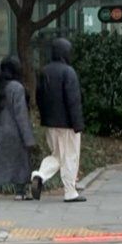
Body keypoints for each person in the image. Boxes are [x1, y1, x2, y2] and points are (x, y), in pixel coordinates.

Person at [30, 35, 86, 202]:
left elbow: (39, 97)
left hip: (50, 123)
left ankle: (39, 175)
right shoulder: (68, 72)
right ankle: (70, 192)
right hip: (67, 123)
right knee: (70, 156)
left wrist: (44, 118)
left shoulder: (44, 71)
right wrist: (78, 124)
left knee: (57, 155)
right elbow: (73, 100)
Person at [0, 54, 36, 197]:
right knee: (21, 164)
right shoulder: (17, 88)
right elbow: (21, 115)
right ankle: (20, 192)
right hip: (15, 132)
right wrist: (29, 139)